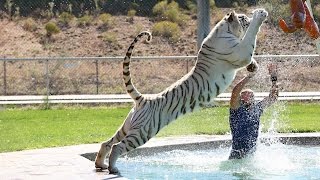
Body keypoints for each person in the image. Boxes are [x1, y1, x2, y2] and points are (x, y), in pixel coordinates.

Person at [228, 64, 279, 159]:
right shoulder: (236, 110)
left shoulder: (257, 108)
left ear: (253, 98)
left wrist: (274, 78)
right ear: (240, 99)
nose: (247, 96)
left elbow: (273, 97)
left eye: (250, 95)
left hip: (251, 156)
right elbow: (235, 92)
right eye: (244, 95)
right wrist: (250, 76)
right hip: (236, 156)